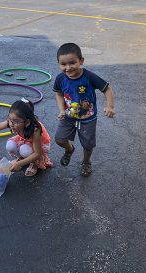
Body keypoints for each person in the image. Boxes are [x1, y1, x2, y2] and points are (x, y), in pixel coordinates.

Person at [53, 43, 115, 177]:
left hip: (88, 119)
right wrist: (62, 109)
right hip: (68, 117)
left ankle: (86, 162)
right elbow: (58, 93)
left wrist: (110, 106)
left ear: (81, 61)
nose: (68, 68)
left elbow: (107, 89)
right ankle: (69, 150)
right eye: (63, 64)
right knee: (59, 139)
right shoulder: (60, 78)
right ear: (59, 63)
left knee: (88, 145)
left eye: (72, 63)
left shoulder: (89, 77)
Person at [0, 99, 53, 177]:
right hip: (26, 139)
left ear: (27, 122)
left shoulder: (35, 130)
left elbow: (37, 153)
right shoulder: (12, 121)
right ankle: (22, 159)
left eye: (16, 121)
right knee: (10, 145)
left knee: (25, 150)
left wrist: (19, 164)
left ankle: (34, 163)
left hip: (41, 145)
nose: (11, 124)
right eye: (10, 120)